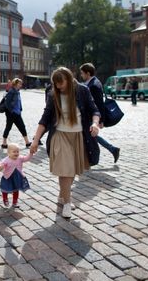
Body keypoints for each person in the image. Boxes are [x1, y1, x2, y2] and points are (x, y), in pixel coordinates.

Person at [30, 67, 100, 218]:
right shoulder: (53, 93)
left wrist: (95, 124)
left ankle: (63, 195)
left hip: (78, 137)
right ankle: (67, 203)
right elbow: (45, 118)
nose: (58, 86)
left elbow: (95, 110)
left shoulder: (82, 91)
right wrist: (35, 140)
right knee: (65, 170)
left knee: (71, 170)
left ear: (69, 79)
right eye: (56, 84)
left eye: (61, 83)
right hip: (60, 136)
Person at [80, 63, 120, 163]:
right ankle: (112, 149)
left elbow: (99, 104)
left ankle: (111, 150)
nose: (81, 75)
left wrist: (101, 120)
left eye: (82, 73)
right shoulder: (92, 82)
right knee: (89, 135)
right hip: (89, 116)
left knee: (90, 134)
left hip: (91, 117)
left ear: (88, 73)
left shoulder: (94, 85)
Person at [0, 143, 34, 208]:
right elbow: (1, 165)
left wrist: (31, 154)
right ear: (8, 153)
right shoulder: (6, 160)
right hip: (8, 177)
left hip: (17, 177)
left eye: (17, 151)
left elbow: (26, 158)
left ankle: (15, 202)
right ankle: (5, 199)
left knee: (16, 190)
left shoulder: (20, 158)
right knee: (5, 189)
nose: (16, 153)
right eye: (14, 152)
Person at [2, 78, 31, 149]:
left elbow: (18, 102)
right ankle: (4, 143)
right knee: (8, 127)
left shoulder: (17, 92)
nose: (21, 85)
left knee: (22, 126)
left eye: (21, 83)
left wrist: (20, 109)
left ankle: (27, 142)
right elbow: (7, 103)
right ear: (15, 83)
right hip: (11, 114)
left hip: (17, 113)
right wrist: (11, 111)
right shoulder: (11, 91)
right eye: (20, 83)